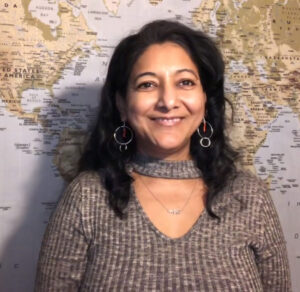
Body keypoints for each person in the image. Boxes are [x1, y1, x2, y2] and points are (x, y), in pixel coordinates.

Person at [35, 20, 292, 291]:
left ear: (204, 100)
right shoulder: (86, 199)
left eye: (185, 82)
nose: (168, 101)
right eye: (147, 85)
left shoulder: (249, 198)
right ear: (122, 104)